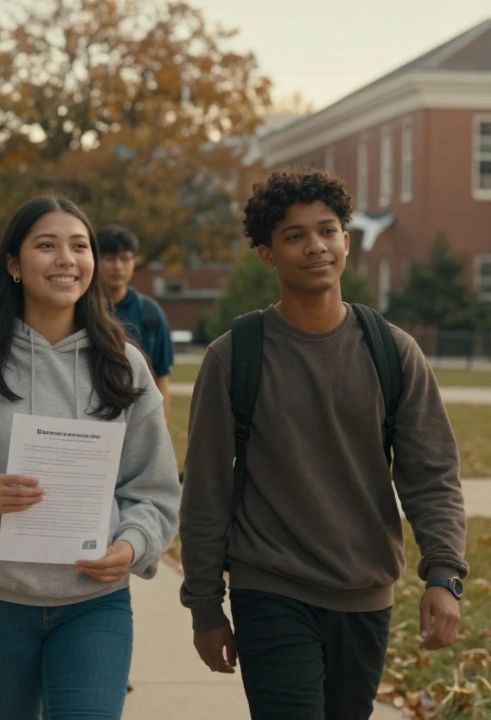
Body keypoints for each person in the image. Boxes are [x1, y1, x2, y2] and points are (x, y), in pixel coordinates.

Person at [180, 169, 467, 720]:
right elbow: (206, 493)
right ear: (267, 254)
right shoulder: (233, 357)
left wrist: (444, 573)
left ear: (346, 240)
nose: (315, 246)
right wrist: (204, 604)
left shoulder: (393, 352)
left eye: (327, 230)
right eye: (294, 236)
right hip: (271, 585)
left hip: (364, 591)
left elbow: (431, 474)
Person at [0, 196, 180, 719]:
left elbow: (155, 489)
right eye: (46, 245)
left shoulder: (125, 367)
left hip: (94, 605)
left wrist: (134, 542)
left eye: (79, 246)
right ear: (13, 264)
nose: (65, 259)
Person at [95, 226, 173, 424]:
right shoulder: (78, 309)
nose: (118, 266)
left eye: (125, 258)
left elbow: (161, 375)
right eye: (109, 258)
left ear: (134, 262)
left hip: (136, 419)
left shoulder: (150, 312)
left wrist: (160, 427)